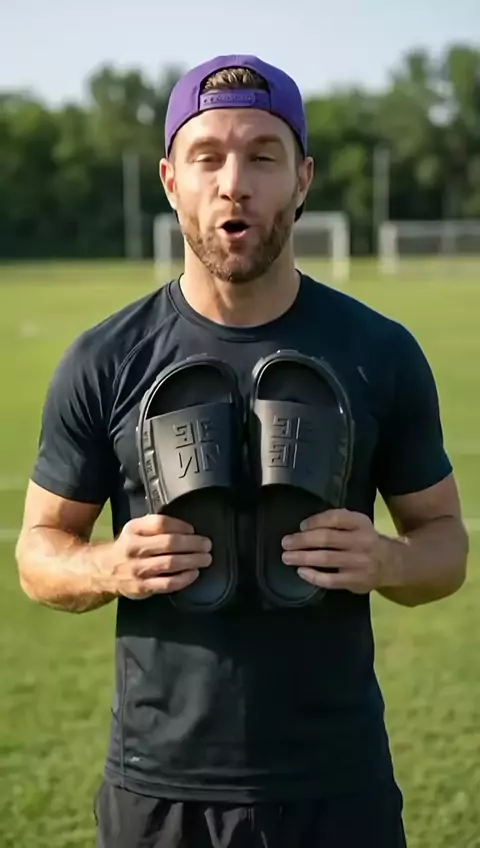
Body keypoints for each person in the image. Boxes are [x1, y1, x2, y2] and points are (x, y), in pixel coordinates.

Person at [15, 54, 468, 848]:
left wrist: (390, 560)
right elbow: (37, 552)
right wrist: (108, 566)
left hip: (338, 784)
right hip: (158, 792)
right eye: (208, 157)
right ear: (171, 181)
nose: (234, 183)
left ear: (302, 179)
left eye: (263, 156)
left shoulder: (381, 353)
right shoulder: (105, 360)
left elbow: (446, 545)